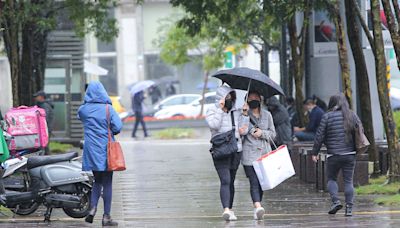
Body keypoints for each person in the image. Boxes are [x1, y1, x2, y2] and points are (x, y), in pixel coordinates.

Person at [78, 82, 122, 226]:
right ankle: (106, 216)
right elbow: (118, 127)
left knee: (97, 181)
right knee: (107, 182)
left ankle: (92, 208)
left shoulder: (83, 109)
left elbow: (82, 119)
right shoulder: (108, 109)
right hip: (106, 149)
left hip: (91, 149)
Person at [311, 93, 359, 217]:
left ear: (331, 103)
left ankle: (335, 201)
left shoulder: (327, 117)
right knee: (348, 181)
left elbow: (319, 136)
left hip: (333, 154)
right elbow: (360, 132)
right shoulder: (352, 115)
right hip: (350, 154)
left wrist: (314, 153)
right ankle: (349, 209)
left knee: (331, 178)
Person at [206, 85, 249, 221]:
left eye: (232, 97)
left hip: (236, 150)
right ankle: (225, 209)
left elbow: (244, 130)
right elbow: (214, 126)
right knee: (225, 180)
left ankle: (230, 209)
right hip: (220, 151)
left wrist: (245, 116)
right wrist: (220, 109)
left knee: (231, 181)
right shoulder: (212, 110)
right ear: (221, 98)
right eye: (227, 97)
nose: (230, 100)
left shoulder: (236, 111)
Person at [242, 91, 276, 220]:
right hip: (249, 155)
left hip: (264, 155)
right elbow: (241, 131)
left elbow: (273, 134)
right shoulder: (243, 115)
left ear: (260, 100)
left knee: (261, 183)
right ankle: (257, 206)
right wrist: (244, 114)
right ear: (246, 101)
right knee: (254, 181)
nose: (254, 100)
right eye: (251, 98)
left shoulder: (267, 115)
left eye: (256, 98)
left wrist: (262, 133)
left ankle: (257, 206)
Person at [33, 90, 54, 155]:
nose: (36, 98)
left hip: (45, 129)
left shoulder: (44, 106)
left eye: (37, 96)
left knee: (44, 145)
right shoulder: (43, 105)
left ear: (41, 97)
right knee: (45, 145)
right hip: (46, 128)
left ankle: (48, 160)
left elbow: (45, 118)